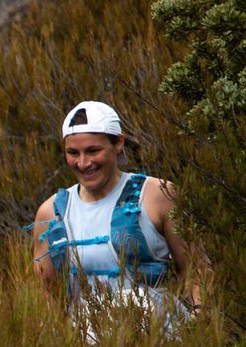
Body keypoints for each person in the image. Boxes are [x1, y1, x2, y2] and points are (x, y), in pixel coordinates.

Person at [33, 100, 203, 319]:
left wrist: (202, 320)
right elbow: (45, 297)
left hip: (161, 336)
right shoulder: (52, 212)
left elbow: (197, 269)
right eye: (73, 153)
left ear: (119, 143)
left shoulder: (156, 195)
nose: (83, 163)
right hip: (84, 344)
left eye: (93, 150)